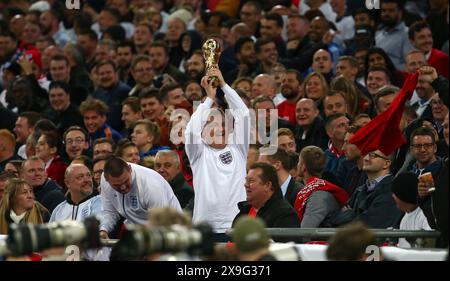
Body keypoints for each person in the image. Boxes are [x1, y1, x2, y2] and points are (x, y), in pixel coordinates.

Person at [185, 66, 250, 241]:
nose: (220, 129)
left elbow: (243, 114)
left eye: (223, 125)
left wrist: (223, 85)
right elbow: (190, 132)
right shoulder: (199, 153)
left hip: (237, 226)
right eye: (212, 125)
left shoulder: (238, 148)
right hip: (205, 228)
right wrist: (209, 98)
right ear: (203, 131)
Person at [99, 156, 181, 239]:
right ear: (106, 179)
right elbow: (109, 212)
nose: (123, 187)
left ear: (130, 170)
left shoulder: (151, 186)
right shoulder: (105, 180)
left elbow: (161, 223)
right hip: (138, 230)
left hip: (171, 230)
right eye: (117, 185)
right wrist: (103, 230)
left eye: (126, 181)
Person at [332, 150, 403, 228]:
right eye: (365, 154)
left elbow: (370, 224)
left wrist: (350, 214)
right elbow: (336, 218)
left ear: (386, 164)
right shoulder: (361, 189)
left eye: (372, 155)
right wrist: (353, 216)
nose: (365, 158)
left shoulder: (392, 190)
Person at [294, 146, 349, 228]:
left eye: (299, 161)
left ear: (303, 167)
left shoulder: (318, 196)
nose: (297, 165)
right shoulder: (314, 190)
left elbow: (305, 232)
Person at [234, 162, 300, 229]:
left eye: (251, 181)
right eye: (246, 181)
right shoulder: (244, 211)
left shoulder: (285, 215)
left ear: (267, 185)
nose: (246, 185)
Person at [391, 172, 432, 248]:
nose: (393, 196)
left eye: (395, 194)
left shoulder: (426, 216)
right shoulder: (405, 217)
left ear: (403, 196)